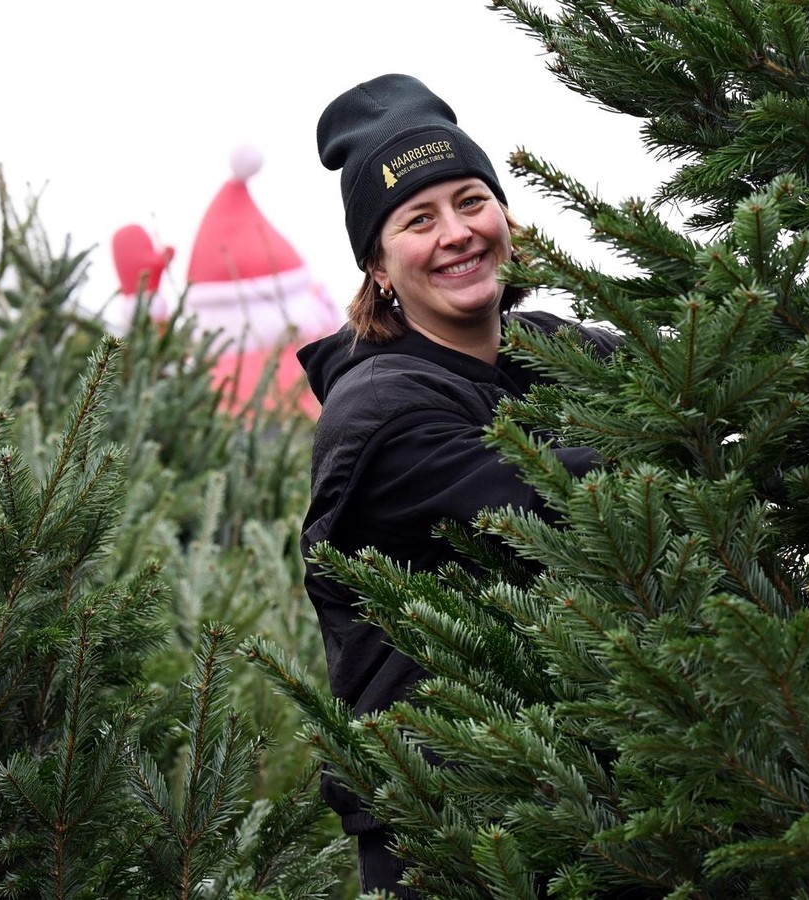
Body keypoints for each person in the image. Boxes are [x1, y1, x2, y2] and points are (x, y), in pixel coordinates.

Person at [300, 74, 617, 896]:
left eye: (472, 201)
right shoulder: (376, 414)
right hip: (450, 828)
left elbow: (694, 358)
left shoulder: (548, 348)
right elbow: (549, 494)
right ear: (377, 264)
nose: (457, 234)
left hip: (595, 794)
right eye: (418, 219)